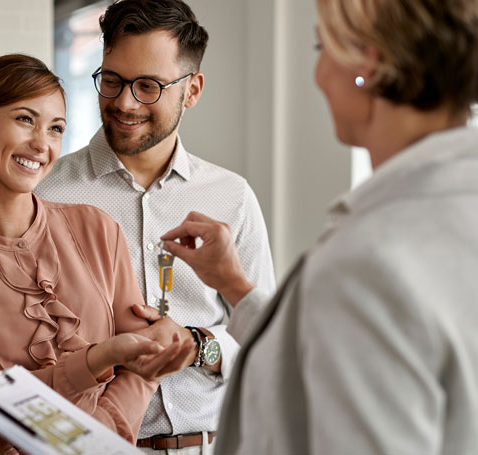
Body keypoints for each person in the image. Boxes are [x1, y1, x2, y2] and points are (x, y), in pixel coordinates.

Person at [0, 0, 275, 453]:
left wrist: (197, 346)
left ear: (191, 90)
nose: (124, 102)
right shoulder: (43, 193)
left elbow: (265, 336)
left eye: (148, 86)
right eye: (111, 80)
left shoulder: (232, 197)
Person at [160, 0, 478, 453]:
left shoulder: (367, 264)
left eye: (320, 46)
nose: (318, 75)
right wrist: (232, 283)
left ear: (366, 62)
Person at [0, 54, 195, 455]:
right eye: (25, 119)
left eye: (56, 128)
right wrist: (100, 358)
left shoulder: (97, 228)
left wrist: (96, 442)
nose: (42, 144)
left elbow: (143, 367)